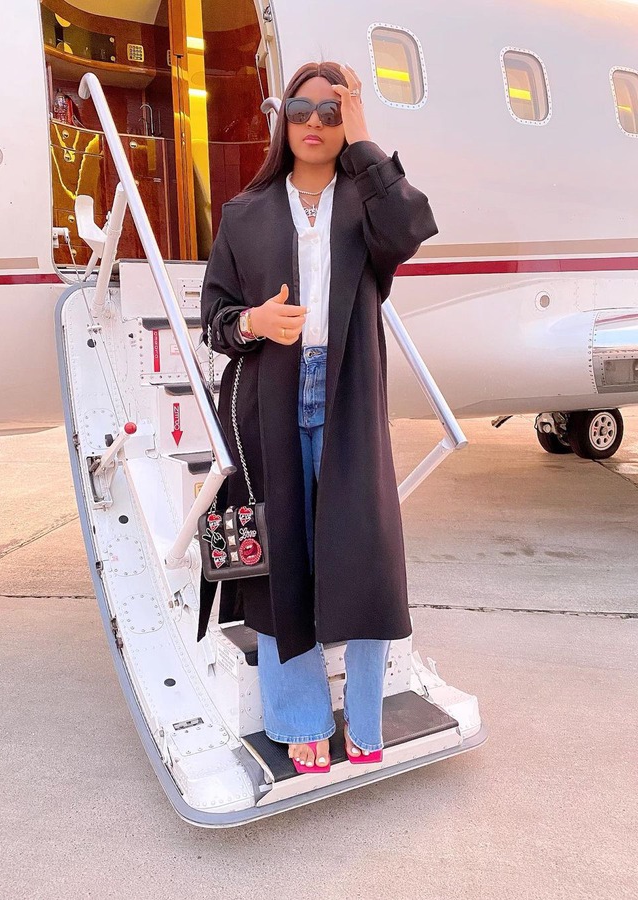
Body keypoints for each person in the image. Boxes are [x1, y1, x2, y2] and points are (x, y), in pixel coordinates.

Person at [199, 61, 438, 773]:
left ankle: (364, 717)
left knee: (364, 559)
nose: (313, 123)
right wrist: (254, 322)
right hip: (269, 402)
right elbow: (214, 318)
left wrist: (363, 135)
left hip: (347, 397)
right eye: (300, 109)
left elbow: (411, 226)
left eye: (330, 112)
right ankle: (300, 717)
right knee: (283, 566)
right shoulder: (245, 212)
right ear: (283, 120)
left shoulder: (369, 205)